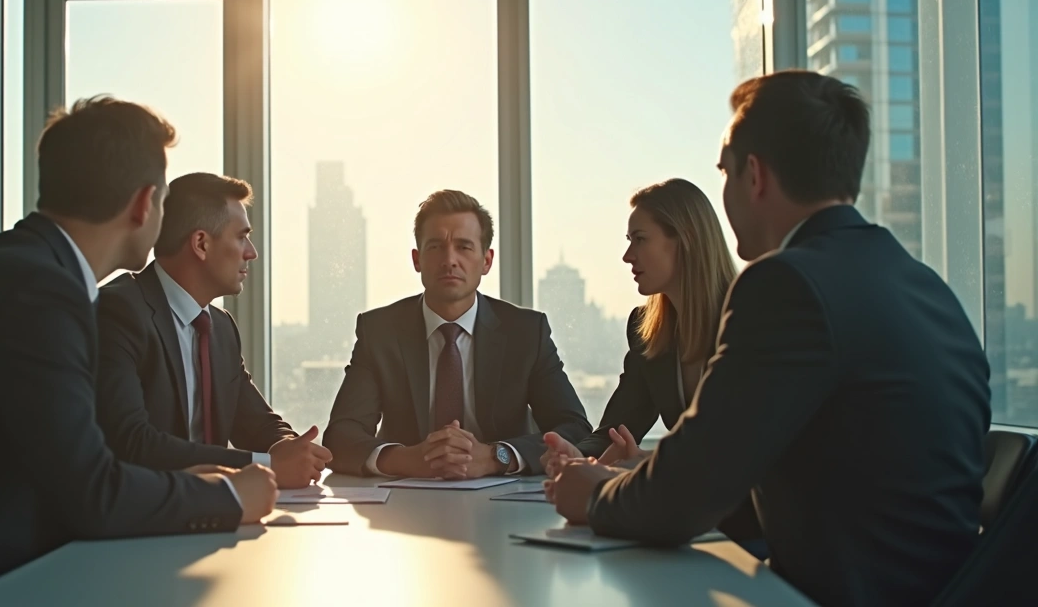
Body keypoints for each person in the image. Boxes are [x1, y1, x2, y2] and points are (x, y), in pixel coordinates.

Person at [548, 70, 990, 607]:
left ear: (753, 176)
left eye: (725, 174)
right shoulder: (924, 285)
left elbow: (689, 495)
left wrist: (592, 496)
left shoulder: (786, 284)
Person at [0, 97, 277, 592]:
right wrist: (227, 497)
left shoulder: (24, 269)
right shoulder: (39, 291)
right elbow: (93, 493)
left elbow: (83, 467)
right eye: (163, 201)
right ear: (144, 204)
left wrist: (196, 484)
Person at [538, 178, 761, 550]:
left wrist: (649, 465)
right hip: (689, 532)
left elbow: (741, 455)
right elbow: (616, 428)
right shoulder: (646, 332)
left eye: (639, 239)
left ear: (684, 239)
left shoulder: (750, 319)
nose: (627, 256)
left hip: (751, 530)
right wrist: (581, 456)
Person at [324, 190, 592, 477]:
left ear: (487, 261)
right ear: (417, 260)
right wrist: (407, 460)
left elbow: (574, 429)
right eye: (436, 247)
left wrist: (496, 457)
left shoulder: (525, 332)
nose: (449, 260)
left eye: (464, 247)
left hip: (502, 500)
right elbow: (341, 435)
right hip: (404, 500)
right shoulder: (380, 331)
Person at [97, 172, 332, 489]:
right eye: (241, 237)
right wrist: (266, 465)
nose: (251, 252)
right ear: (201, 243)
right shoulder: (119, 312)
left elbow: (255, 422)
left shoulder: (220, 327)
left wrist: (293, 448)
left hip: (215, 514)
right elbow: (133, 442)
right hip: (142, 517)